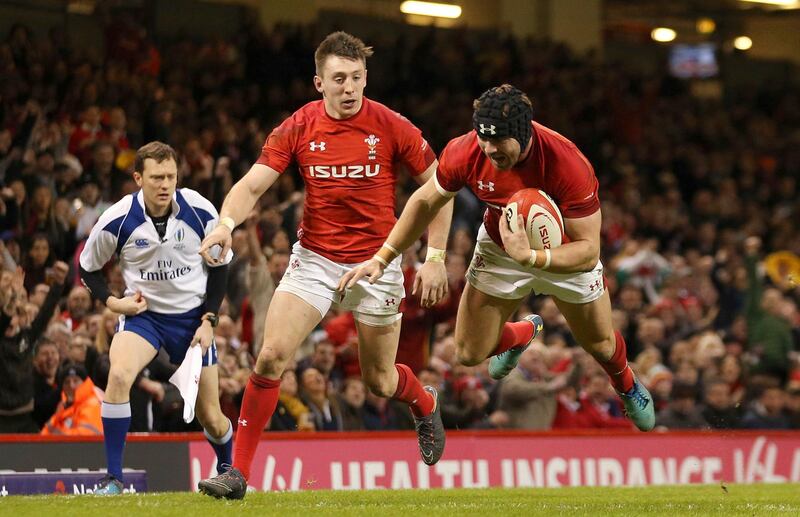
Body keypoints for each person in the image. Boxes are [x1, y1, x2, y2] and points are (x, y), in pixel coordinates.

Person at [196, 32, 453, 499]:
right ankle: (238, 474)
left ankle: (422, 399)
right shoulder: (298, 126)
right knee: (271, 355)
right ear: (319, 83)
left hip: (379, 262)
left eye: (357, 77)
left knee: (378, 379)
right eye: (339, 78)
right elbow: (253, 185)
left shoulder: (393, 126)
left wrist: (435, 257)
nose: (349, 87)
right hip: (314, 260)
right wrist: (224, 223)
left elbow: (440, 188)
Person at [341, 84, 656, 432]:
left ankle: (626, 385)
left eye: (499, 140)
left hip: (562, 251)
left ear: (524, 134)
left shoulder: (567, 163)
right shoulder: (465, 151)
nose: (489, 149)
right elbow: (424, 201)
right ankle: (522, 334)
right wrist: (386, 257)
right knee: (469, 353)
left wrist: (533, 256)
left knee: (599, 343)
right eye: (484, 138)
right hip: (500, 244)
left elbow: (588, 251)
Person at [79, 141, 233, 495]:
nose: (165, 185)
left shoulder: (199, 211)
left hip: (192, 319)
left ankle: (228, 472)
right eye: (157, 177)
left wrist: (210, 320)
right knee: (118, 374)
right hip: (144, 316)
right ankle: (113, 479)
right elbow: (88, 270)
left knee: (210, 414)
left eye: (171, 177)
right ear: (138, 178)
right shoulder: (117, 219)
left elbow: (221, 267)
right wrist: (114, 303)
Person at [41, 362, 103, 435]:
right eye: (67, 382)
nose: (71, 385)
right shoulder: (64, 406)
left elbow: (84, 436)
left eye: (75, 381)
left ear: (84, 383)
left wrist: (56, 437)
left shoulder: (93, 404)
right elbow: (45, 432)